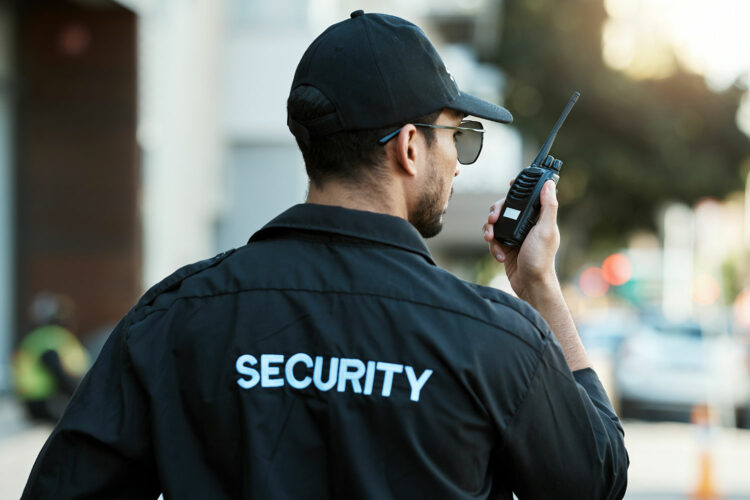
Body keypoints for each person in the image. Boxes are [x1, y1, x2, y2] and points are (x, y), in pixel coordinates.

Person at [23, 10, 628, 499]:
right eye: (458, 136)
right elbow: (594, 481)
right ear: (411, 148)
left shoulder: (175, 317)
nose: (456, 161)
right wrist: (542, 289)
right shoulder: (496, 340)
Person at [13, 292, 90, 423]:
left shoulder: (37, 337)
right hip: (48, 401)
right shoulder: (52, 338)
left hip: (33, 403)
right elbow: (58, 372)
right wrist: (82, 397)